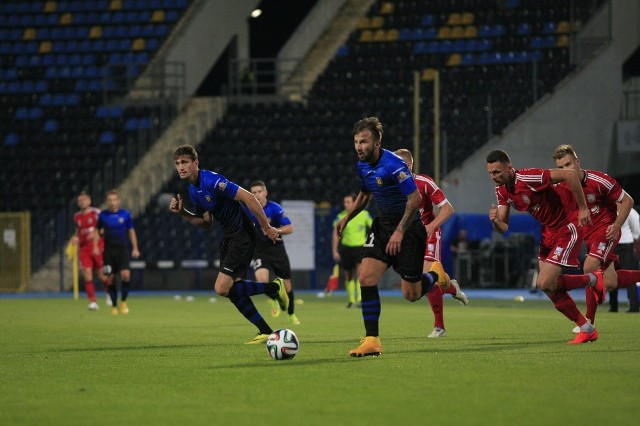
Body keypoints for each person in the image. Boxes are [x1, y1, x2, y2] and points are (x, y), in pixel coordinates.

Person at [335, 117, 451, 357]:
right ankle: (372, 340)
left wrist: (399, 231)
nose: (359, 146)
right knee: (365, 277)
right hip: (382, 228)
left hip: (408, 231)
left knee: (411, 294)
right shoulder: (362, 164)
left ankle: (435, 275)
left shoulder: (394, 165)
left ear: (377, 142)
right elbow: (365, 194)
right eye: (356, 141)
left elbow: (415, 199)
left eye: (364, 141)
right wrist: (348, 217)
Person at [169, 144, 289, 344]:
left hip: (242, 234)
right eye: (177, 163)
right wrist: (182, 213)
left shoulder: (213, 180)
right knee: (233, 289)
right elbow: (206, 223)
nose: (181, 167)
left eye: (185, 162)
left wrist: (266, 227)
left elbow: (249, 198)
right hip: (229, 236)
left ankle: (274, 288)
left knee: (221, 288)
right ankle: (265, 330)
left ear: (195, 163)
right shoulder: (192, 190)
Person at [486, 149, 606, 344]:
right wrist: (494, 221)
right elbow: (503, 227)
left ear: (509, 167)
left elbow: (570, 174)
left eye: (497, 172)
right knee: (549, 287)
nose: (494, 177)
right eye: (491, 173)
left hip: (567, 226)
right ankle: (587, 328)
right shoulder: (501, 191)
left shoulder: (529, 177)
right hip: (549, 231)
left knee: (544, 283)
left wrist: (583, 208)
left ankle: (593, 279)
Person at [552, 144, 638, 329]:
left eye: (568, 164)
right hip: (588, 237)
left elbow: (628, 200)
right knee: (611, 282)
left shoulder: (599, 180)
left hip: (606, 230)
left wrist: (616, 225)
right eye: (560, 168)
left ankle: (588, 321)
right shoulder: (561, 187)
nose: (565, 171)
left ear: (577, 162)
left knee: (589, 266)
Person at [394, 149, 468, 338]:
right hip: (407, 239)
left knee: (425, 275)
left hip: (428, 235)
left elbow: (448, 209)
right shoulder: (391, 186)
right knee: (419, 287)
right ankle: (451, 287)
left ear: (409, 165)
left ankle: (439, 327)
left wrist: (431, 226)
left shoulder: (424, 182)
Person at [246, 180, 300, 325]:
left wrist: (276, 230)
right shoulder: (248, 210)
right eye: (254, 192)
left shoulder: (275, 208)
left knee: (287, 285)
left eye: (259, 191)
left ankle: (291, 314)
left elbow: (289, 228)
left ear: (265, 193)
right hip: (259, 251)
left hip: (277, 250)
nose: (257, 195)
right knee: (262, 281)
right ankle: (274, 299)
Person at [97, 190, 140, 315]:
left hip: (122, 249)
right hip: (108, 251)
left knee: (126, 275)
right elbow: (97, 231)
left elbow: (131, 231)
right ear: (107, 201)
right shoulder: (102, 215)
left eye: (114, 199)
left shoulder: (125, 214)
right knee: (109, 279)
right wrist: (95, 245)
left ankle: (123, 301)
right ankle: (114, 306)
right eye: (110, 200)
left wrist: (135, 248)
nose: (112, 202)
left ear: (118, 201)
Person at [332, 193, 373, 308]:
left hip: (360, 247)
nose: (346, 204)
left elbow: (373, 227)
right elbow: (335, 234)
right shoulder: (341, 217)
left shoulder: (364, 215)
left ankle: (360, 299)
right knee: (348, 275)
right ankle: (351, 300)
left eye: (348, 202)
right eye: (345, 202)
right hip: (346, 248)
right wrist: (335, 250)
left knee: (360, 273)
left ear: (354, 203)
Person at [71, 191, 107, 311]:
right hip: (84, 249)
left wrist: (96, 234)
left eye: (84, 200)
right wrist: (75, 238)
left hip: (97, 246)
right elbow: (78, 231)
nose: (82, 202)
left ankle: (109, 293)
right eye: (80, 200)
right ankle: (93, 301)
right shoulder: (76, 216)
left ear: (89, 201)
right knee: (87, 274)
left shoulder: (96, 213)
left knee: (102, 275)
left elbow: (104, 228)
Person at [609, 207, 640, 312]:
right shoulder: (608, 208)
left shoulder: (629, 211)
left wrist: (635, 242)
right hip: (612, 245)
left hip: (626, 246)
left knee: (629, 276)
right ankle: (613, 307)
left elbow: (636, 226)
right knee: (611, 275)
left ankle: (634, 306)